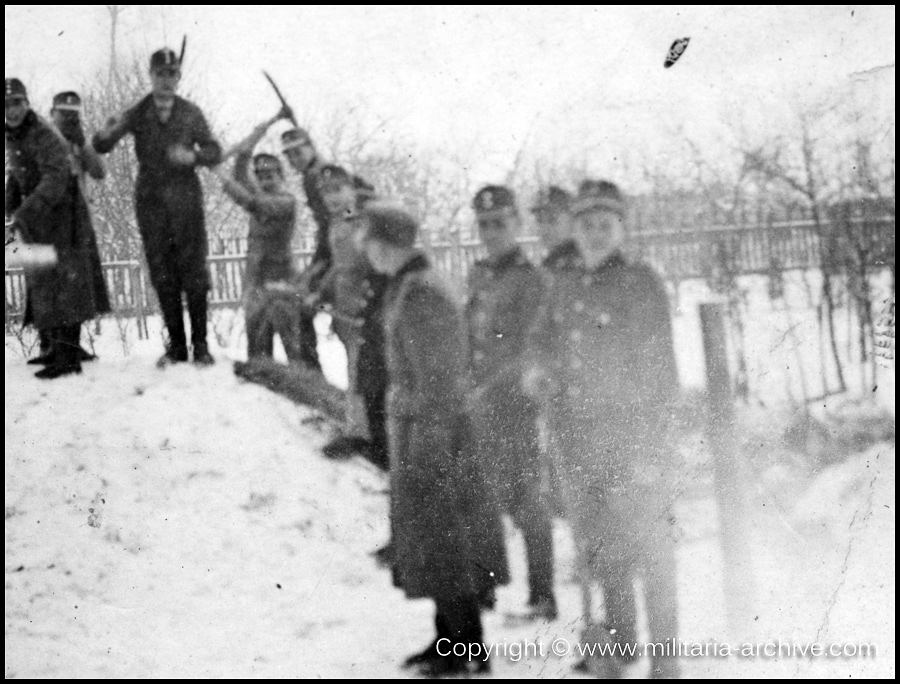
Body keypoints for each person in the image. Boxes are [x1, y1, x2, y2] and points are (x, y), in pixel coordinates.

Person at [524, 180, 681, 678]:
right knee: (602, 553)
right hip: (579, 443)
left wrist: (653, 449)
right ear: (574, 229)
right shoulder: (563, 283)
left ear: (621, 228)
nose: (595, 234)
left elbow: (662, 372)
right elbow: (540, 341)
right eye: (586, 225)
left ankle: (667, 662)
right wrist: (537, 370)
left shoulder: (642, 283)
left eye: (604, 225)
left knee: (651, 556)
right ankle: (617, 648)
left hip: (633, 441)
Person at [361, 202, 508, 676]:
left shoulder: (421, 292)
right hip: (424, 430)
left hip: (435, 434)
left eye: (368, 241)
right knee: (434, 545)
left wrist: (429, 446)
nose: (364, 251)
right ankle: (448, 641)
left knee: (447, 543)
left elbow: (439, 380)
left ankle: (468, 652)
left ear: (386, 244)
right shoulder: (410, 284)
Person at [92, 47, 222, 367]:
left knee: (193, 271)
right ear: (151, 76)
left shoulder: (191, 112)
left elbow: (214, 150)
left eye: (172, 74)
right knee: (162, 272)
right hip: (151, 202)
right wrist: (106, 127)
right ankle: (177, 346)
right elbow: (101, 144)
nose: (166, 80)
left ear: (178, 77)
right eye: (160, 74)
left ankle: (201, 345)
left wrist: (193, 156)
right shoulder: (138, 112)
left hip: (186, 199)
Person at [466, 185, 557, 620]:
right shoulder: (479, 274)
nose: (491, 232)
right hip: (479, 402)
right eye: (484, 225)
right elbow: (471, 336)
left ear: (516, 225)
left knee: (526, 500)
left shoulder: (532, 279)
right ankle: (484, 591)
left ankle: (543, 596)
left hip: (516, 402)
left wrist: (492, 387)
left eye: (499, 223)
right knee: (483, 496)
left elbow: (533, 347)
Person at [5, 78, 99, 379]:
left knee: (65, 281)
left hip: (64, 211)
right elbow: (18, 172)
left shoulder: (41, 132)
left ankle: (67, 357)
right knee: (43, 279)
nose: (12, 110)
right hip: (43, 210)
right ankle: (54, 350)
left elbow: (56, 175)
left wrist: (24, 212)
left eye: (17, 103)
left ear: (27, 103)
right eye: (6, 105)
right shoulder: (13, 134)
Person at [217, 111, 306, 364]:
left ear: (281, 176)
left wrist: (219, 175)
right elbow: (240, 174)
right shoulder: (260, 195)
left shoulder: (285, 202)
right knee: (258, 351)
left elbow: (252, 202)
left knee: (294, 350)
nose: (265, 180)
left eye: (271, 176)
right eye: (261, 176)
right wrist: (251, 142)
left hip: (282, 282)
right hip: (256, 282)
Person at [279, 127, 331, 372]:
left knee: (302, 304)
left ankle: (311, 375)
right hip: (330, 247)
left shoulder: (318, 175)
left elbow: (338, 217)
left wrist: (319, 266)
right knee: (301, 301)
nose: (293, 159)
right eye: (289, 155)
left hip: (339, 252)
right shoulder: (312, 174)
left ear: (311, 147)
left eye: (298, 152)